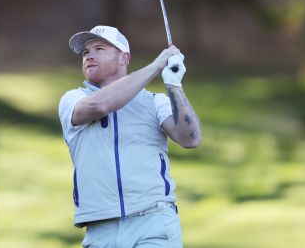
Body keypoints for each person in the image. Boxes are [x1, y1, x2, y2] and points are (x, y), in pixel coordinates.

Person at [58, 25, 202, 248]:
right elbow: (100, 105)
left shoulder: (155, 102)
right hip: (99, 230)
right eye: (86, 52)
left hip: (152, 223)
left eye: (99, 49)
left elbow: (190, 139)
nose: (90, 56)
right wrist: (155, 66)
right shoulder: (74, 99)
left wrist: (174, 85)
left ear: (124, 58)